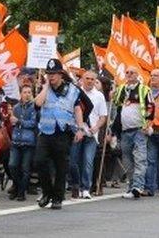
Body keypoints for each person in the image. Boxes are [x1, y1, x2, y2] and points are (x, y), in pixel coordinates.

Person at [34, 58, 89, 210]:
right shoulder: (45, 89)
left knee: (61, 166)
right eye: (48, 74)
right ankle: (47, 192)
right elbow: (37, 104)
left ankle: (57, 198)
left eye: (54, 74)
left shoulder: (72, 89)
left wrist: (80, 128)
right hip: (46, 131)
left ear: (61, 74)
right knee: (39, 162)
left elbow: (77, 109)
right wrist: (45, 87)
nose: (51, 76)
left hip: (63, 132)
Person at [111, 67, 148, 198]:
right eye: (127, 72)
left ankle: (138, 186)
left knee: (140, 159)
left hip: (139, 130)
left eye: (132, 72)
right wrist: (113, 94)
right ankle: (132, 185)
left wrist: (148, 124)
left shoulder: (143, 89)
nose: (129, 75)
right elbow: (116, 104)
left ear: (138, 75)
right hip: (125, 131)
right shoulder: (122, 89)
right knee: (127, 160)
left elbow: (151, 108)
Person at [70, 71, 107, 199]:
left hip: (91, 134)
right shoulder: (75, 93)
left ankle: (86, 187)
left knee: (88, 161)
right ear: (82, 80)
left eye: (92, 79)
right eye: (87, 78)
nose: (90, 81)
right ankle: (76, 185)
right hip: (77, 132)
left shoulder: (99, 96)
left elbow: (103, 116)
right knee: (74, 161)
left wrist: (96, 127)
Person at [8, 84, 37, 201]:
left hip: (28, 142)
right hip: (16, 140)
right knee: (12, 165)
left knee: (25, 168)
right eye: (25, 92)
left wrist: (19, 121)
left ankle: (21, 192)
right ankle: (17, 186)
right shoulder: (16, 107)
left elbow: (33, 123)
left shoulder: (34, 107)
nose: (27, 95)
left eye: (29, 92)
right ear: (20, 94)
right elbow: (12, 123)